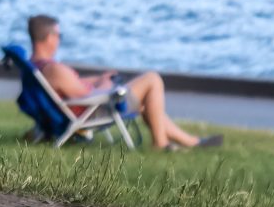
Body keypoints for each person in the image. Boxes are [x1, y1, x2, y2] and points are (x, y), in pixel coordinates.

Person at [27, 14, 215, 151]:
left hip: (84, 106)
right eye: (59, 36)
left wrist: (99, 79)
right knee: (152, 79)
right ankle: (161, 143)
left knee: (146, 101)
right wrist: (108, 86)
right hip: (94, 110)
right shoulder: (54, 69)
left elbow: (72, 85)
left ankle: (190, 142)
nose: (59, 40)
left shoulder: (38, 67)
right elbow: (85, 96)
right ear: (50, 37)